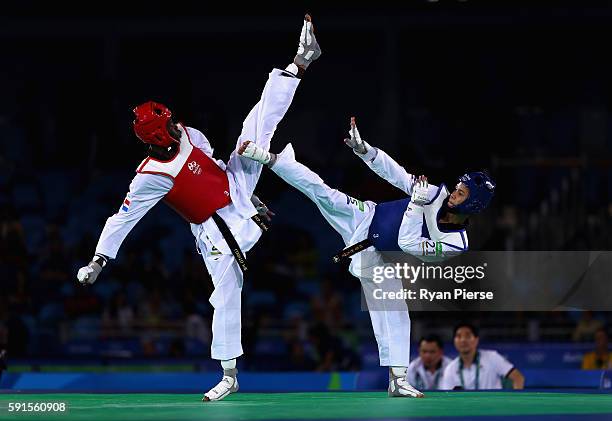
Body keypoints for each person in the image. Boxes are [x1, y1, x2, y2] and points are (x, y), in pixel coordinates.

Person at [75, 15, 322, 402]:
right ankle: (229, 373)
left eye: (171, 120)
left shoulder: (189, 133)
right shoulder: (150, 176)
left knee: (254, 128)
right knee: (226, 293)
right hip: (212, 228)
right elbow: (122, 219)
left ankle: (299, 63)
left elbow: (212, 165)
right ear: (156, 136)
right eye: (168, 124)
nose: (176, 125)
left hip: (235, 189)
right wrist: (99, 260)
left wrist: (249, 194)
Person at [238, 118, 496, 398]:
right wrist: (366, 151)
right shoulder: (434, 194)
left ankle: (398, 379)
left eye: (462, 193)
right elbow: (397, 175)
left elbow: (407, 243)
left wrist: (415, 205)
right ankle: (272, 159)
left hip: (375, 258)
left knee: (395, 312)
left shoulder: (454, 243)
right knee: (324, 193)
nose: (454, 193)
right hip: (366, 216)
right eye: (457, 187)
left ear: (473, 204)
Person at [441, 323, 524, 390]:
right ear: (454, 341)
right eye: (459, 336)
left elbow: (518, 377)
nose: (463, 340)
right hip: (466, 410)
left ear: (476, 339)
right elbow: (447, 397)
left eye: (467, 336)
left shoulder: (492, 358)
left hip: (494, 408)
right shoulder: (450, 369)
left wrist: (515, 403)